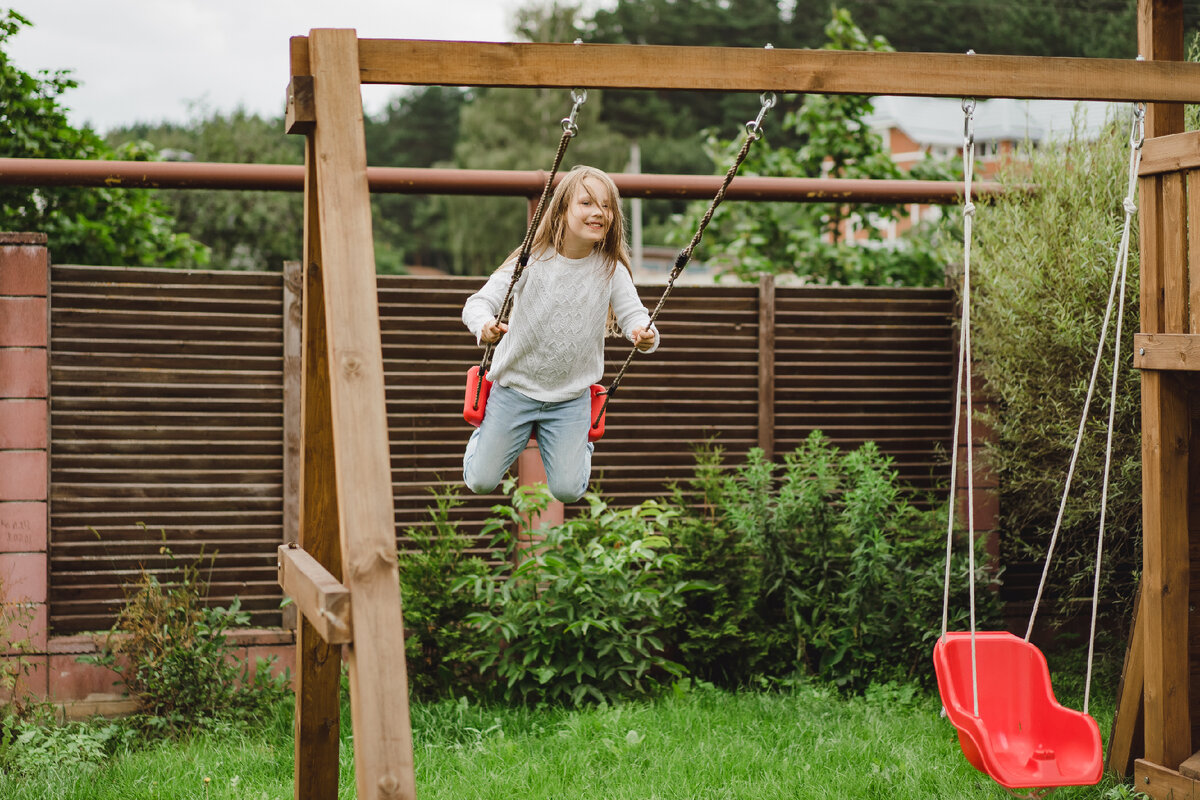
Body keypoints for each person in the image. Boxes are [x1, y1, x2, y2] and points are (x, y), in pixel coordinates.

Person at [461, 165, 659, 503]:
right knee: (480, 481)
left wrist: (645, 333)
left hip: (570, 399)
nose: (599, 212)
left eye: (607, 206)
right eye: (587, 203)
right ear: (563, 209)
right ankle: (487, 437)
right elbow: (478, 303)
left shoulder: (610, 269)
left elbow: (636, 316)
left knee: (568, 491)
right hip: (515, 390)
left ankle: (581, 442)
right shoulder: (532, 261)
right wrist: (485, 325)